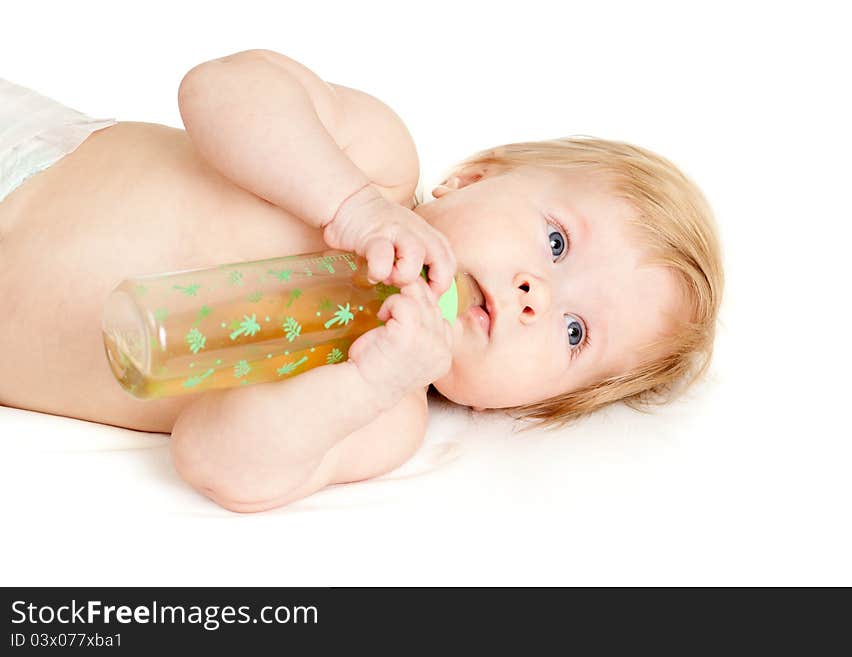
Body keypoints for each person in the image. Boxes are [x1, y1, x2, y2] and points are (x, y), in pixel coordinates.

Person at [0, 49, 723, 512]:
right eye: (557, 241)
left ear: (526, 403)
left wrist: (368, 381)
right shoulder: (376, 161)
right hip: (25, 154)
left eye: (575, 332)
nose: (539, 297)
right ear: (472, 177)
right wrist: (352, 204)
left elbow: (217, 460)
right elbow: (220, 87)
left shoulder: (383, 416)